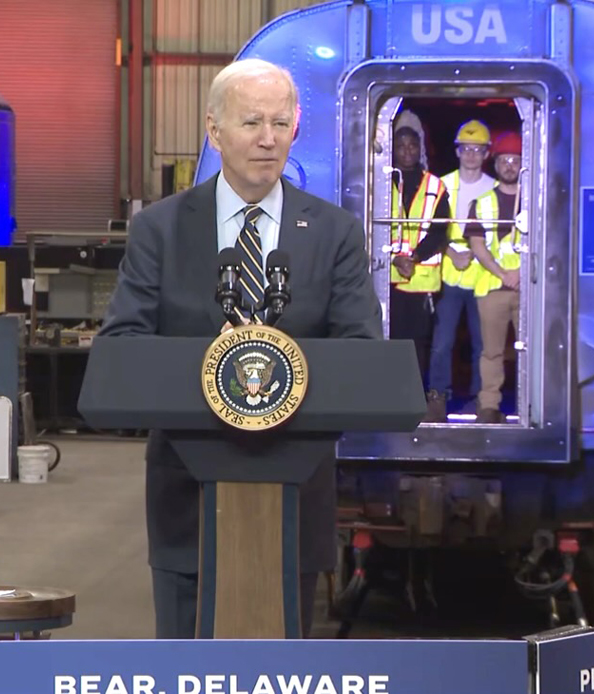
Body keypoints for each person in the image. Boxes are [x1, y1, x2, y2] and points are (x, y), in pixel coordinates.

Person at [97, 58, 382, 639]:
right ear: (214, 131)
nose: (269, 139)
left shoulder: (334, 233)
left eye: (282, 123)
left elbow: (361, 351)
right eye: (252, 122)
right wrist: (214, 364)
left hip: (295, 494)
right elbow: (123, 345)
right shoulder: (161, 228)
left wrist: (283, 365)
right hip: (187, 493)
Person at [401, 119, 494, 420]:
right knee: (442, 342)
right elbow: (435, 229)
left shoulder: (493, 188)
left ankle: (482, 400)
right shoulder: (443, 183)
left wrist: (479, 255)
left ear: (486, 153)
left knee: (483, 343)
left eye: (477, 149)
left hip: (484, 276)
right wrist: (452, 252)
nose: (470, 155)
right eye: (465, 149)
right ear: (457, 151)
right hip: (449, 274)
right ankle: (437, 396)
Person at [387, 111, 450, 394]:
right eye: (400, 145)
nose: (407, 150)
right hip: (385, 278)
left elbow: (439, 231)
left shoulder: (435, 186)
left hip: (421, 279)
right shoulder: (380, 183)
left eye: (412, 145)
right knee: (389, 340)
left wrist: (413, 258)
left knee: (418, 342)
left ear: (420, 147)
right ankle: (391, 394)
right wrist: (395, 259)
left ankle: (413, 395)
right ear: (392, 148)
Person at [464, 131, 523, 423]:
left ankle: (531, 406)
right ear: (496, 164)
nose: (509, 165)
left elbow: (551, 242)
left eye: (515, 160)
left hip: (531, 289)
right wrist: (504, 274)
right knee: (491, 353)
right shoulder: (483, 202)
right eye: (504, 160)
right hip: (492, 288)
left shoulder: (538, 202)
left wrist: (521, 274)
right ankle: (489, 406)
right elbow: (477, 245)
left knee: (532, 351)